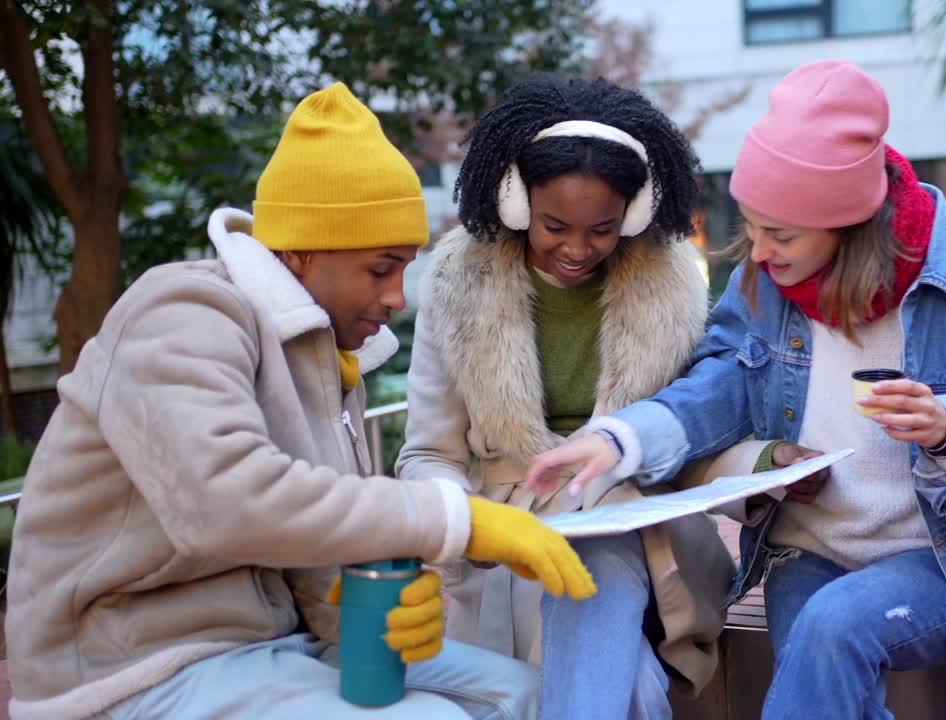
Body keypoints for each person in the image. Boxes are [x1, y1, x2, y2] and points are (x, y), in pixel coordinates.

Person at [4, 82, 594, 720]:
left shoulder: (327, 358)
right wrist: (458, 519)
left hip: (271, 645)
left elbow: (304, 543)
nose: (399, 296)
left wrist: (368, 604)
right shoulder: (181, 312)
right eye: (381, 267)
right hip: (128, 667)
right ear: (305, 250)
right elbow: (227, 502)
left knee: (529, 693)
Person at [526, 60, 946, 719]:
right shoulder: (769, 282)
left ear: (849, 225)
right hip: (811, 554)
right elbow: (718, 387)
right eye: (750, 226)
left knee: (832, 627)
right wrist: (619, 439)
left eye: (780, 234)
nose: (758, 253)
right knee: (825, 665)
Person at [396, 74, 770, 719]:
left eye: (601, 228)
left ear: (636, 212)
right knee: (637, 689)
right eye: (554, 225)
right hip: (506, 540)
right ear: (514, 202)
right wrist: (475, 525)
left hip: (637, 526)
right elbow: (428, 456)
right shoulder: (457, 281)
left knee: (592, 564)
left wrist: (760, 465)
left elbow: (685, 431)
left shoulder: (672, 281)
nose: (577, 249)